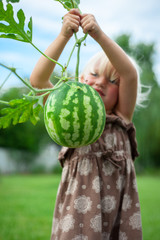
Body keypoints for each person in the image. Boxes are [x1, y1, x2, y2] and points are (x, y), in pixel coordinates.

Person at [30, 9, 147, 240]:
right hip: (78, 211)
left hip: (116, 212)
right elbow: (38, 81)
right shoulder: (66, 106)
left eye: (113, 81)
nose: (101, 82)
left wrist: (98, 35)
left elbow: (130, 74)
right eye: (94, 74)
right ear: (81, 79)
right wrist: (64, 35)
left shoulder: (121, 117)